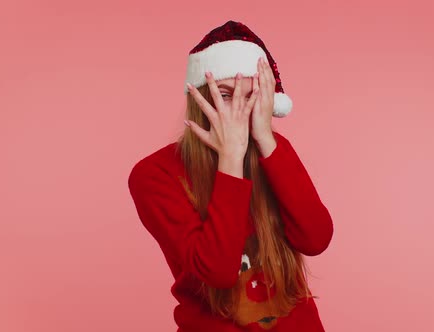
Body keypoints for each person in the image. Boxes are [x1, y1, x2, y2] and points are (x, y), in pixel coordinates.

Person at [128, 20, 334, 331]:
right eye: (226, 95)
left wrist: (267, 140)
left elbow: (316, 238)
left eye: (252, 96)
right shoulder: (154, 174)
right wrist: (230, 161)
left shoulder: (274, 151)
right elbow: (217, 272)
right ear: (199, 99)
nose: (240, 110)